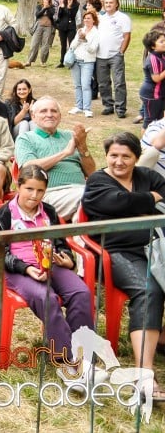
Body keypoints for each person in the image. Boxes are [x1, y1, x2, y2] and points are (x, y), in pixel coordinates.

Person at [0, 164, 99, 386]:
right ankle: (67, 363)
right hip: (17, 269)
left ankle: (84, 356)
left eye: (40, 190)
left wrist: (67, 257)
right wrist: (25, 268)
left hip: (50, 263)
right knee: (45, 298)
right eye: (29, 189)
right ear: (19, 186)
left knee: (81, 293)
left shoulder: (48, 211)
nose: (34, 195)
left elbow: (60, 241)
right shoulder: (2, 215)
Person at [82, 132, 165, 399]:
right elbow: (116, 202)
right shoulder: (97, 181)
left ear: (136, 158)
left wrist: (135, 203)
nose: (119, 161)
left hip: (153, 247)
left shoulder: (145, 176)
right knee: (148, 290)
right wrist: (150, 200)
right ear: (106, 156)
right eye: (113, 155)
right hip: (114, 253)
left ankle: (159, 337)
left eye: (126, 156)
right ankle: (145, 374)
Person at [14, 97, 95, 222]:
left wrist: (83, 147)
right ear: (33, 116)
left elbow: (91, 173)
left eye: (54, 111)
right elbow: (28, 168)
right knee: (91, 197)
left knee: (103, 197)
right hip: (49, 193)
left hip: (80, 189)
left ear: (60, 116)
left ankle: (79, 239)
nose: (49, 115)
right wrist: (65, 153)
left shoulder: (69, 135)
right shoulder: (26, 138)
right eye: (44, 111)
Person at [95, 0, 131, 118]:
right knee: (103, 83)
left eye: (111, 2)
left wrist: (121, 52)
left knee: (119, 82)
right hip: (100, 56)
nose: (108, 5)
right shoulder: (100, 18)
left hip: (115, 55)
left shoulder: (123, 18)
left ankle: (120, 108)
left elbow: (126, 36)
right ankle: (108, 105)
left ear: (116, 4)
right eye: (106, 3)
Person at [67, 8, 100, 118]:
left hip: (88, 62)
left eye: (89, 18)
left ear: (93, 20)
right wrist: (79, 39)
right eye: (85, 18)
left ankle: (87, 108)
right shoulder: (80, 30)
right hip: (76, 60)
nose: (86, 20)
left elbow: (93, 49)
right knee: (77, 85)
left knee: (86, 85)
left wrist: (85, 41)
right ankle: (78, 106)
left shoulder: (96, 33)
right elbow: (72, 46)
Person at [140, 29, 165, 128]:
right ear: (153, 46)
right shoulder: (153, 58)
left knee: (159, 121)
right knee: (149, 122)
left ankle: (154, 142)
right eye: (161, 42)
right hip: (151, 95)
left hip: (159, 94)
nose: (164, 43)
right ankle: (144, 143)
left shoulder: (161, 55)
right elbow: (156, 78)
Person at [25, 0, 57, 67]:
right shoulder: (39, 6)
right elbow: (37, 15)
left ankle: (43, 61)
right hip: (39, 26)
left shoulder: (52, 7)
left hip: (48, 27)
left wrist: (47, 7)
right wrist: (44, 8)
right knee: (34, 44)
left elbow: (51, 15)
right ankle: (29, 61)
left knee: (45, 45)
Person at [56, 0, 79, 67]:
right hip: (62, 27)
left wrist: (68, 8)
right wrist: (61, 7)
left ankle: (71, 61)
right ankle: (62, 62)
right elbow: (59, 16)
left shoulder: (76, 4)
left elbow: (72, 15)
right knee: (63, 45)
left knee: (72, 44)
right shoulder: (63, 3)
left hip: (71, 27)